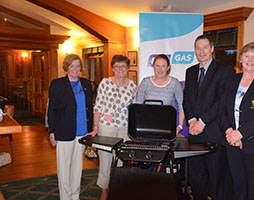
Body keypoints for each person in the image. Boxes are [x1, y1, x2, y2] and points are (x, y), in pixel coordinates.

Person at [219, 42, 254, 200]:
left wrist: (241, 134)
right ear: (241, 59)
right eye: (247, 56)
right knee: (238, 188)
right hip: (231, 142)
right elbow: (222, 110)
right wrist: (230, 132)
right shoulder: (231, 80)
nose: (250, 60)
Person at [183, 35, 234, 200]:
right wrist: (191, 121)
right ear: (195, 51)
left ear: (212, 49)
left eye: (205, 47)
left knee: (216, 179)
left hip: (214, 134)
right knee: (196, 178)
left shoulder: (225, 70)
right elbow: (187, 100)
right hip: (194, 134)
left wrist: (202, 122)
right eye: (198, 48)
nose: (201, 51)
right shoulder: (190, 72)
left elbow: (222, 101)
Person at [88, 54, 137, 200]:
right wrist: (95, 126)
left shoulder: (133, 86)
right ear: (112, 68)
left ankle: (118, 189)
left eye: (123, 66)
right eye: (117, 66)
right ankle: (104, 190)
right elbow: (98, 106)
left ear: (128, 68)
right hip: (106, 127)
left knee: (121, 160)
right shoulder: (105, 82)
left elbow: (134, 110)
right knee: (105, 160)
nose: (120, 69)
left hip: (124, 128)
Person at [47, 54, 93, 200]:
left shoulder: (86, 84)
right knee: (64, 168)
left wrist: (91, 128)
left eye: (78, 66)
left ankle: (75, 196)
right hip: (63, 131)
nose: (75, 69)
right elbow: (51, 110)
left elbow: (89, 108)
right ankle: (65, 197)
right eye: (72, 65)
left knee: (77, 168)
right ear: (66, 67)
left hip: (82, 132)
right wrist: (52, 132)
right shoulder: (57, 84)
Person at [136, 54, 184, 135]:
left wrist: (180, 126)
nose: (160, 69)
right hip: (147, 127)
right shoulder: (145, 82)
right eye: (157, 66)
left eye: (163, 66)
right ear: (153, 67)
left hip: (167, 128)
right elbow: (138, 107)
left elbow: (181, 106)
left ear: (168, 67)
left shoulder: (174, 83)